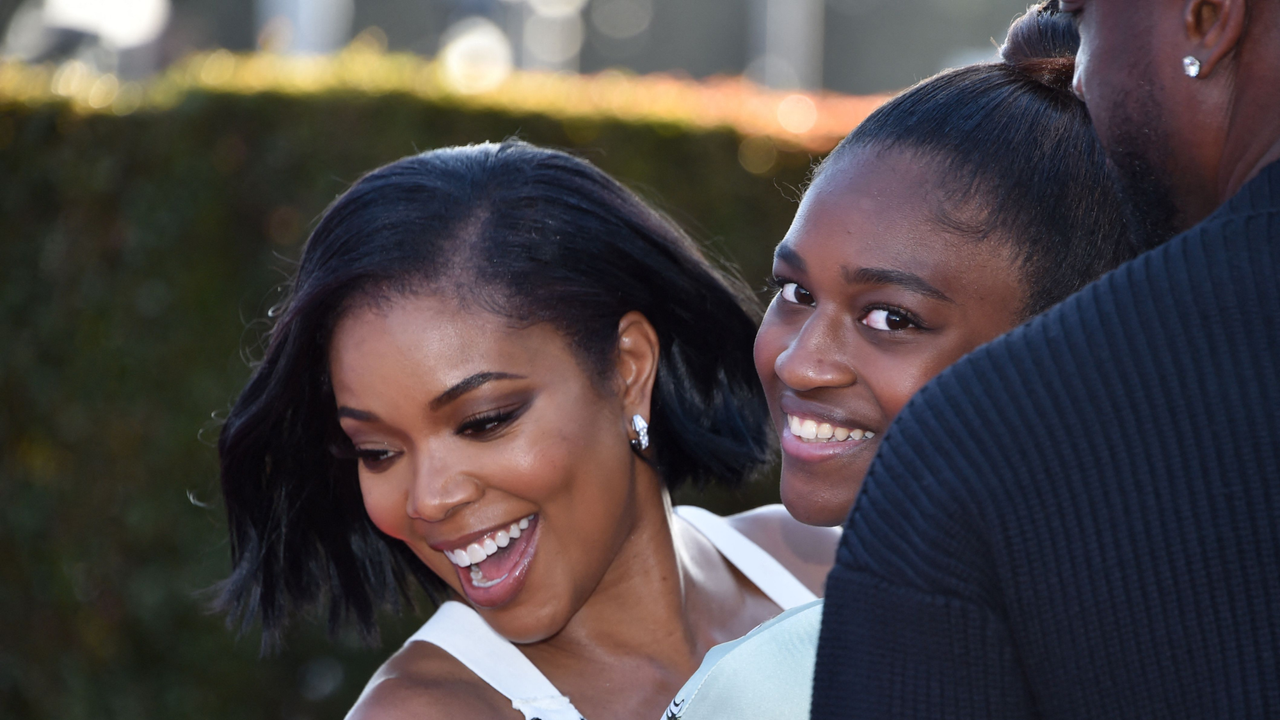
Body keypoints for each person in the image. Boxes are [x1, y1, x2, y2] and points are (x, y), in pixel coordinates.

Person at [213, 141, 837, 720]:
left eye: (484, 421)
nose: (428, 498)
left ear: (627, 369)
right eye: (377, 452)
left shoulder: (825, 569)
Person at [662, 7, 1140, 717]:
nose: (799, 364)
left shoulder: (779, 687)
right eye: (794, 292)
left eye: (891, 318)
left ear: (1063, 349)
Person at [812, 0, 1280, 716]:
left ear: (1209, 18)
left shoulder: (985, 449)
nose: (803, 364)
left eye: (1083, 13)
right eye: (787, 291)